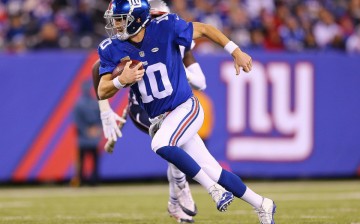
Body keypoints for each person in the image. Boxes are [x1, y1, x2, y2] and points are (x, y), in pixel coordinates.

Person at [97, 0, 276, 223]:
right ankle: (262, 204)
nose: (116, 26)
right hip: (160, 117)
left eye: (121, 20)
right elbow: (102, 89)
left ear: (138, 20)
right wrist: (120, 82)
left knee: (160, 144)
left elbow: (206, 29)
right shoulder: (112, 47)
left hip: (185, 107)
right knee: (213, 169)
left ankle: (212, 191)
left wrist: (235, 50)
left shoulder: (166, 27)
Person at [92, 1, 205, 222]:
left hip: (175, 107)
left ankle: (174, 201)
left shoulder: (175, 39)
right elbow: (98, 70)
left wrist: (179, 71)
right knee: (172, 143)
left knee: (174, 143)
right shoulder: (130, 42)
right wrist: (105, 110)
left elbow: (201, 81)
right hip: (142, 108)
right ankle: (179, 192)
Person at [72, 80, 102, 187]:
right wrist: (90, 130)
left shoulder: (90, 103)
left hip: (90, 136)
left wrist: (97, 129)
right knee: (83, 159)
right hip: (84, 137)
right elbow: (78, 121)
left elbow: (100, 117)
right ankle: (81, 179)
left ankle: (93, 180)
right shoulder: (80, 104)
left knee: (93, 159)